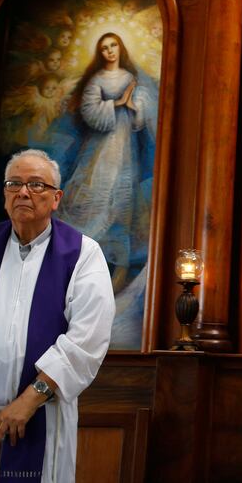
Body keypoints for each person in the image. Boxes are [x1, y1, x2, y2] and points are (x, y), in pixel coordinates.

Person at [0, 149, 115, 483]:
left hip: (36, 419)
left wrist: (30, 399)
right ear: (5, 194)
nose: (23, 192)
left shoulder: (83, 254)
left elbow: (87, 338)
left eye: (36, 184)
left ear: (56, 197)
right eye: (14, 184)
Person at [58, 32, 156, 302]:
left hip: (125, 151)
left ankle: (118, 270)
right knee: (91, 198)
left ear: (120, 48)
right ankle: (78, 268)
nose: (110, 51)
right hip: (98, 151)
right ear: (100, 52)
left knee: (121, 202)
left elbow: (141, 117)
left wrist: (135, 105)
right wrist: (117, 104)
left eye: (113, 46)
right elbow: (90, 112)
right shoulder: (97, 80)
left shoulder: (131, 79)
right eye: (104, 48)